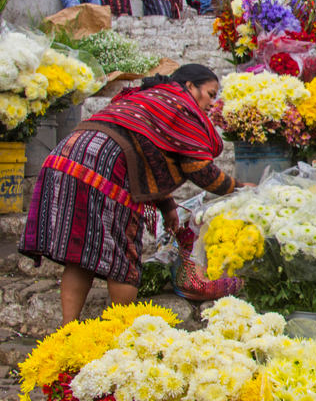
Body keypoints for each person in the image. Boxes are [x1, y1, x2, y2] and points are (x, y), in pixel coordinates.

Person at [20, 65, 249, 325]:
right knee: (122, 261)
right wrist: (238, 187)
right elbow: (198, 168)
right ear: (189, 87)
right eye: (210, 93)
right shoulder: (180, 106)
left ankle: (68, 331)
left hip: (65, 157)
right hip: (104, 167)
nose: (212, 103)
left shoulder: (147, 97)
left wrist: (167, 206)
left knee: (79, 255)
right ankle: (123, 332)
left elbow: (149, 151)